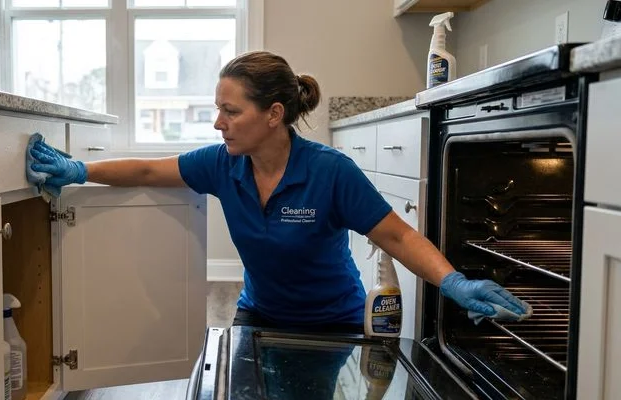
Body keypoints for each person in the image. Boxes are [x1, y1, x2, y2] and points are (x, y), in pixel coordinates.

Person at [28, 50, 528, 334]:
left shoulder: (330, 171)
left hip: (336, 322)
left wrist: (453, 282)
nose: (218, 122)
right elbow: (145, 171)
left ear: (273, 114)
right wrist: (78, 169)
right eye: (218, 109)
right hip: (259, 314)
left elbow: (397, 236)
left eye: (230, 111)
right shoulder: (222, 164)